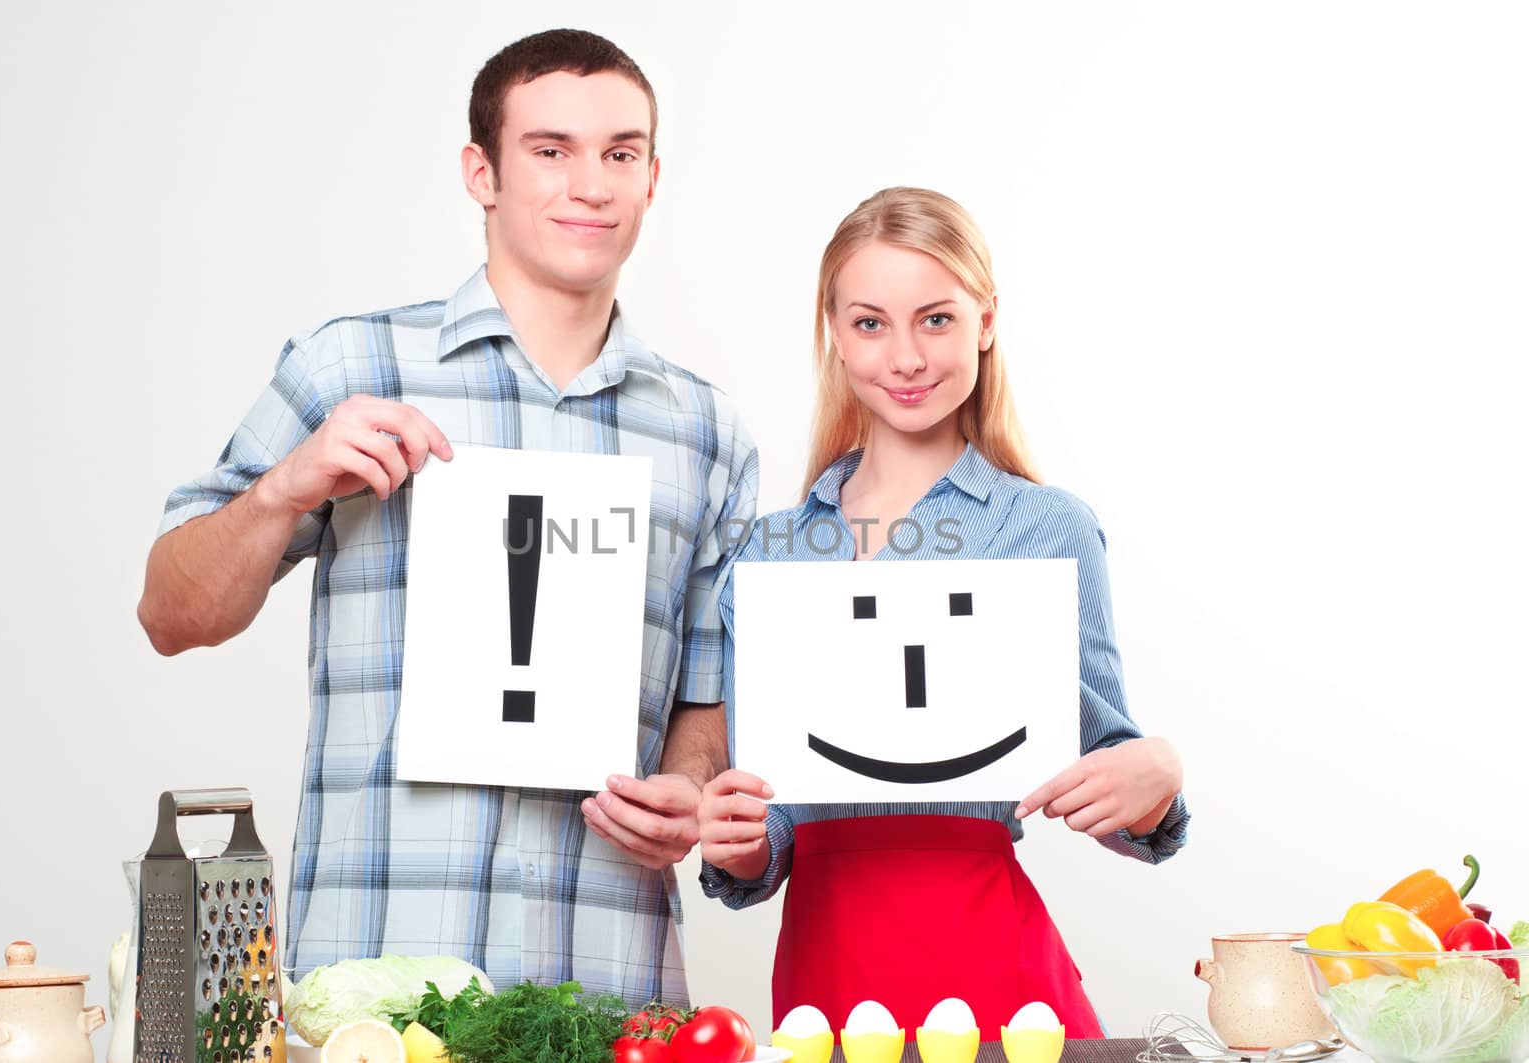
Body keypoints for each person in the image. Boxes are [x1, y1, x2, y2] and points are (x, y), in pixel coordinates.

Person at [137, 29, 757, 1007]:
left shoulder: (707, 432)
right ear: (483, 172)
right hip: (376, 986)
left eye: (620, 153)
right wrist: (284, 487)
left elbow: (702, 702)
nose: (589, 184)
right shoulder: (352, 370)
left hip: (609, 985)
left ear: (651, 177)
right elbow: (173, 614)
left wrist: (684, 787)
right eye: (549, 150)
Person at [696, 187, 1187, 1035]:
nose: (907, 356)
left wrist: (1159, 775)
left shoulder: (1045, 526)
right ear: (835, 333)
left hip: (996, 960)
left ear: (985, 321)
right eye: (870, 323)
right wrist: (740, 843)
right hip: (827, 965)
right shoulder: (769, 552)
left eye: (936, 319)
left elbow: (1110, 767)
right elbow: (766, 813)